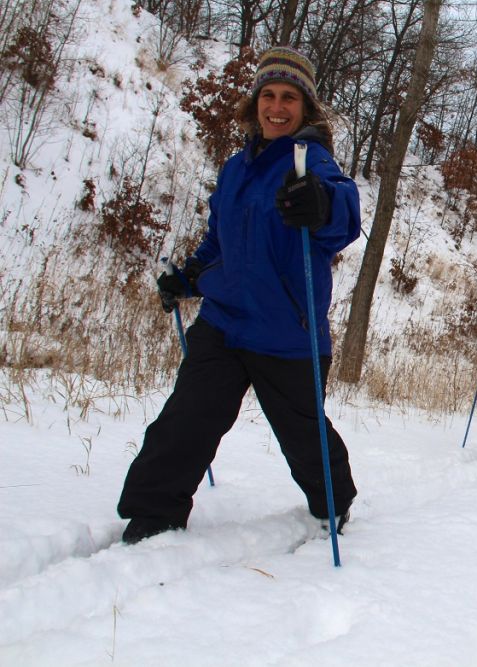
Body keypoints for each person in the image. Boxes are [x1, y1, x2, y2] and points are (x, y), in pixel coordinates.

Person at [117, 47, 362, 544]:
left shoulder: (309, 161)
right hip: (224, 321)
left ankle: (334, 501)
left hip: (285, 331)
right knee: (187, 417)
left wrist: (320, 203)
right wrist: (187, 279)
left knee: (302, 434)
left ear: (305, 108)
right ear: (254, 105)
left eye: (289, 98)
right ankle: (153, 513)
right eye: (268, 96)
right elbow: (219, 242)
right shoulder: (235, 168)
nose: (277, 107)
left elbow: (345, 213)